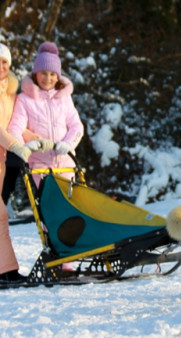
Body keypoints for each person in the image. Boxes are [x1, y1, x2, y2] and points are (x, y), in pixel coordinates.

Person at [0, 43, 50, 283]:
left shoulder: (10, 94)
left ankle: (6, 271)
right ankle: (5, 271)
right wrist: (15, 146)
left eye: (4, 62)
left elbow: (14, 126)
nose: (1, 66)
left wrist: (35, 139)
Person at [8, 41, 83, 187]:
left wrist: (68, 143)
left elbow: (76, 126)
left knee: (68, 204)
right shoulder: (25, 99)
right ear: (36, 74)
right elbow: (15, 128)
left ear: (58, 76)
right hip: (39, 165)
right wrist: (25, 147)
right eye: (43, 73)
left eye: (52, 74)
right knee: (48, 203)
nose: (48, 79)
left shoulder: (64, 98)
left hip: (66, 162)